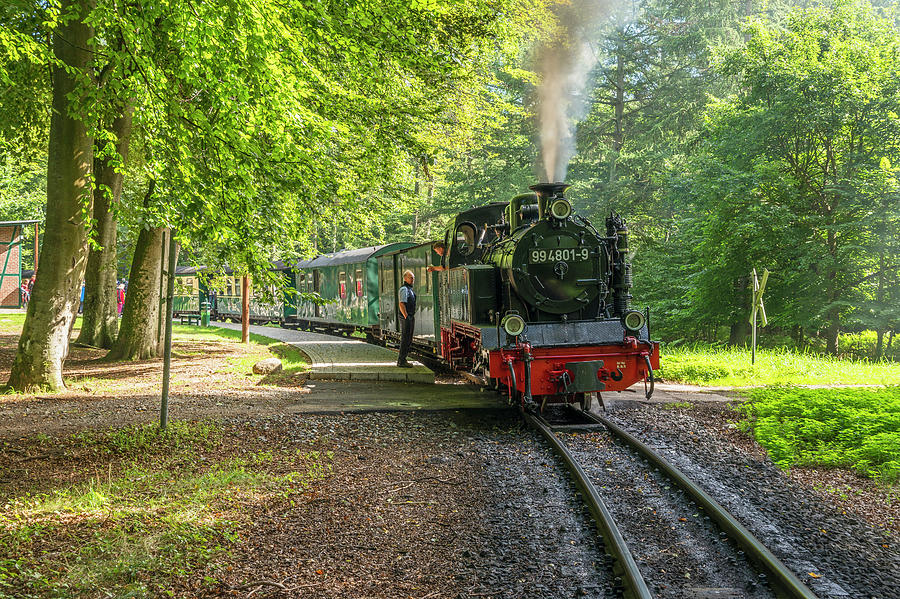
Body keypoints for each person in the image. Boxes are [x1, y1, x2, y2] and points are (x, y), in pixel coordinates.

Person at [397, 269, 416, 368]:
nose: (412, 279)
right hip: (406, 317)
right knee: (405, 339)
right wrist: (406, 317)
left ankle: (403, 359)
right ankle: (401, 360)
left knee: (408, 339)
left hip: (410, 316)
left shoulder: (409, 289)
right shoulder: (404, 289)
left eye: (413, 278)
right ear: (405, 278)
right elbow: (401, 304)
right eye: (410, 278)